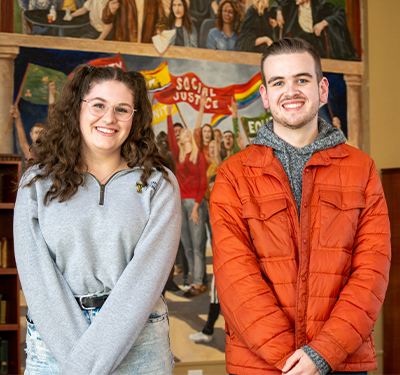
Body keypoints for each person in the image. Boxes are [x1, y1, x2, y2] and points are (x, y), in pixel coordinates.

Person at [210, 37, 390, 375]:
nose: (290, 91)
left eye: (301, 79)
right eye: (278, 82)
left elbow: (372, 272)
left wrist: (322, 355)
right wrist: (291, 364)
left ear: (322, 89)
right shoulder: (233, 175)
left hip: (342, 362)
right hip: (261, 366)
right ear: (265, 96)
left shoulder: (362, 169)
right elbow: (235, 278)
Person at [13, 65, 181, 375]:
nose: (109, 118)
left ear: (136, 116)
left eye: (122, 109)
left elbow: (146, 279)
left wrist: (87, 363)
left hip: (139, 340)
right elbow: (37, 280)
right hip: (55, 341)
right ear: (77, 108)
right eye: (98, 105)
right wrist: (83, 364)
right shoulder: (36, 184)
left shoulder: (159, 184)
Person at [167, 105, 208, 298]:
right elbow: (170, 139)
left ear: (189, 137)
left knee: (198, 247)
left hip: (195, 205)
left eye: (184, 133)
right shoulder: (179, 156)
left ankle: (199, 283)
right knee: (188, 245)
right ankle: (194, 281)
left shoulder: (198, 156)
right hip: (180, 204)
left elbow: (202, 183)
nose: (181, 135)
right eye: (180, 133)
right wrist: (168, 113)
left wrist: (196, 208)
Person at [275, 0, 359, 60]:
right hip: (298, 48)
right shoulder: (292, 8)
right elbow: (279, 3)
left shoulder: (320, 6)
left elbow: (340, 13)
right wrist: (279, 13)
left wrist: (323, 23)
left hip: (318, 48)